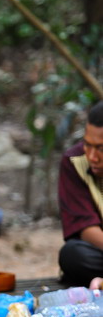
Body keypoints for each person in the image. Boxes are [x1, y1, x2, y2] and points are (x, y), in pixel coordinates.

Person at [58, 101, 103, 285]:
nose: (92, 156)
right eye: (87, 145)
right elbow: (86, 228)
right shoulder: (74, 162)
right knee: (73, 255)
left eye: (100, 148)